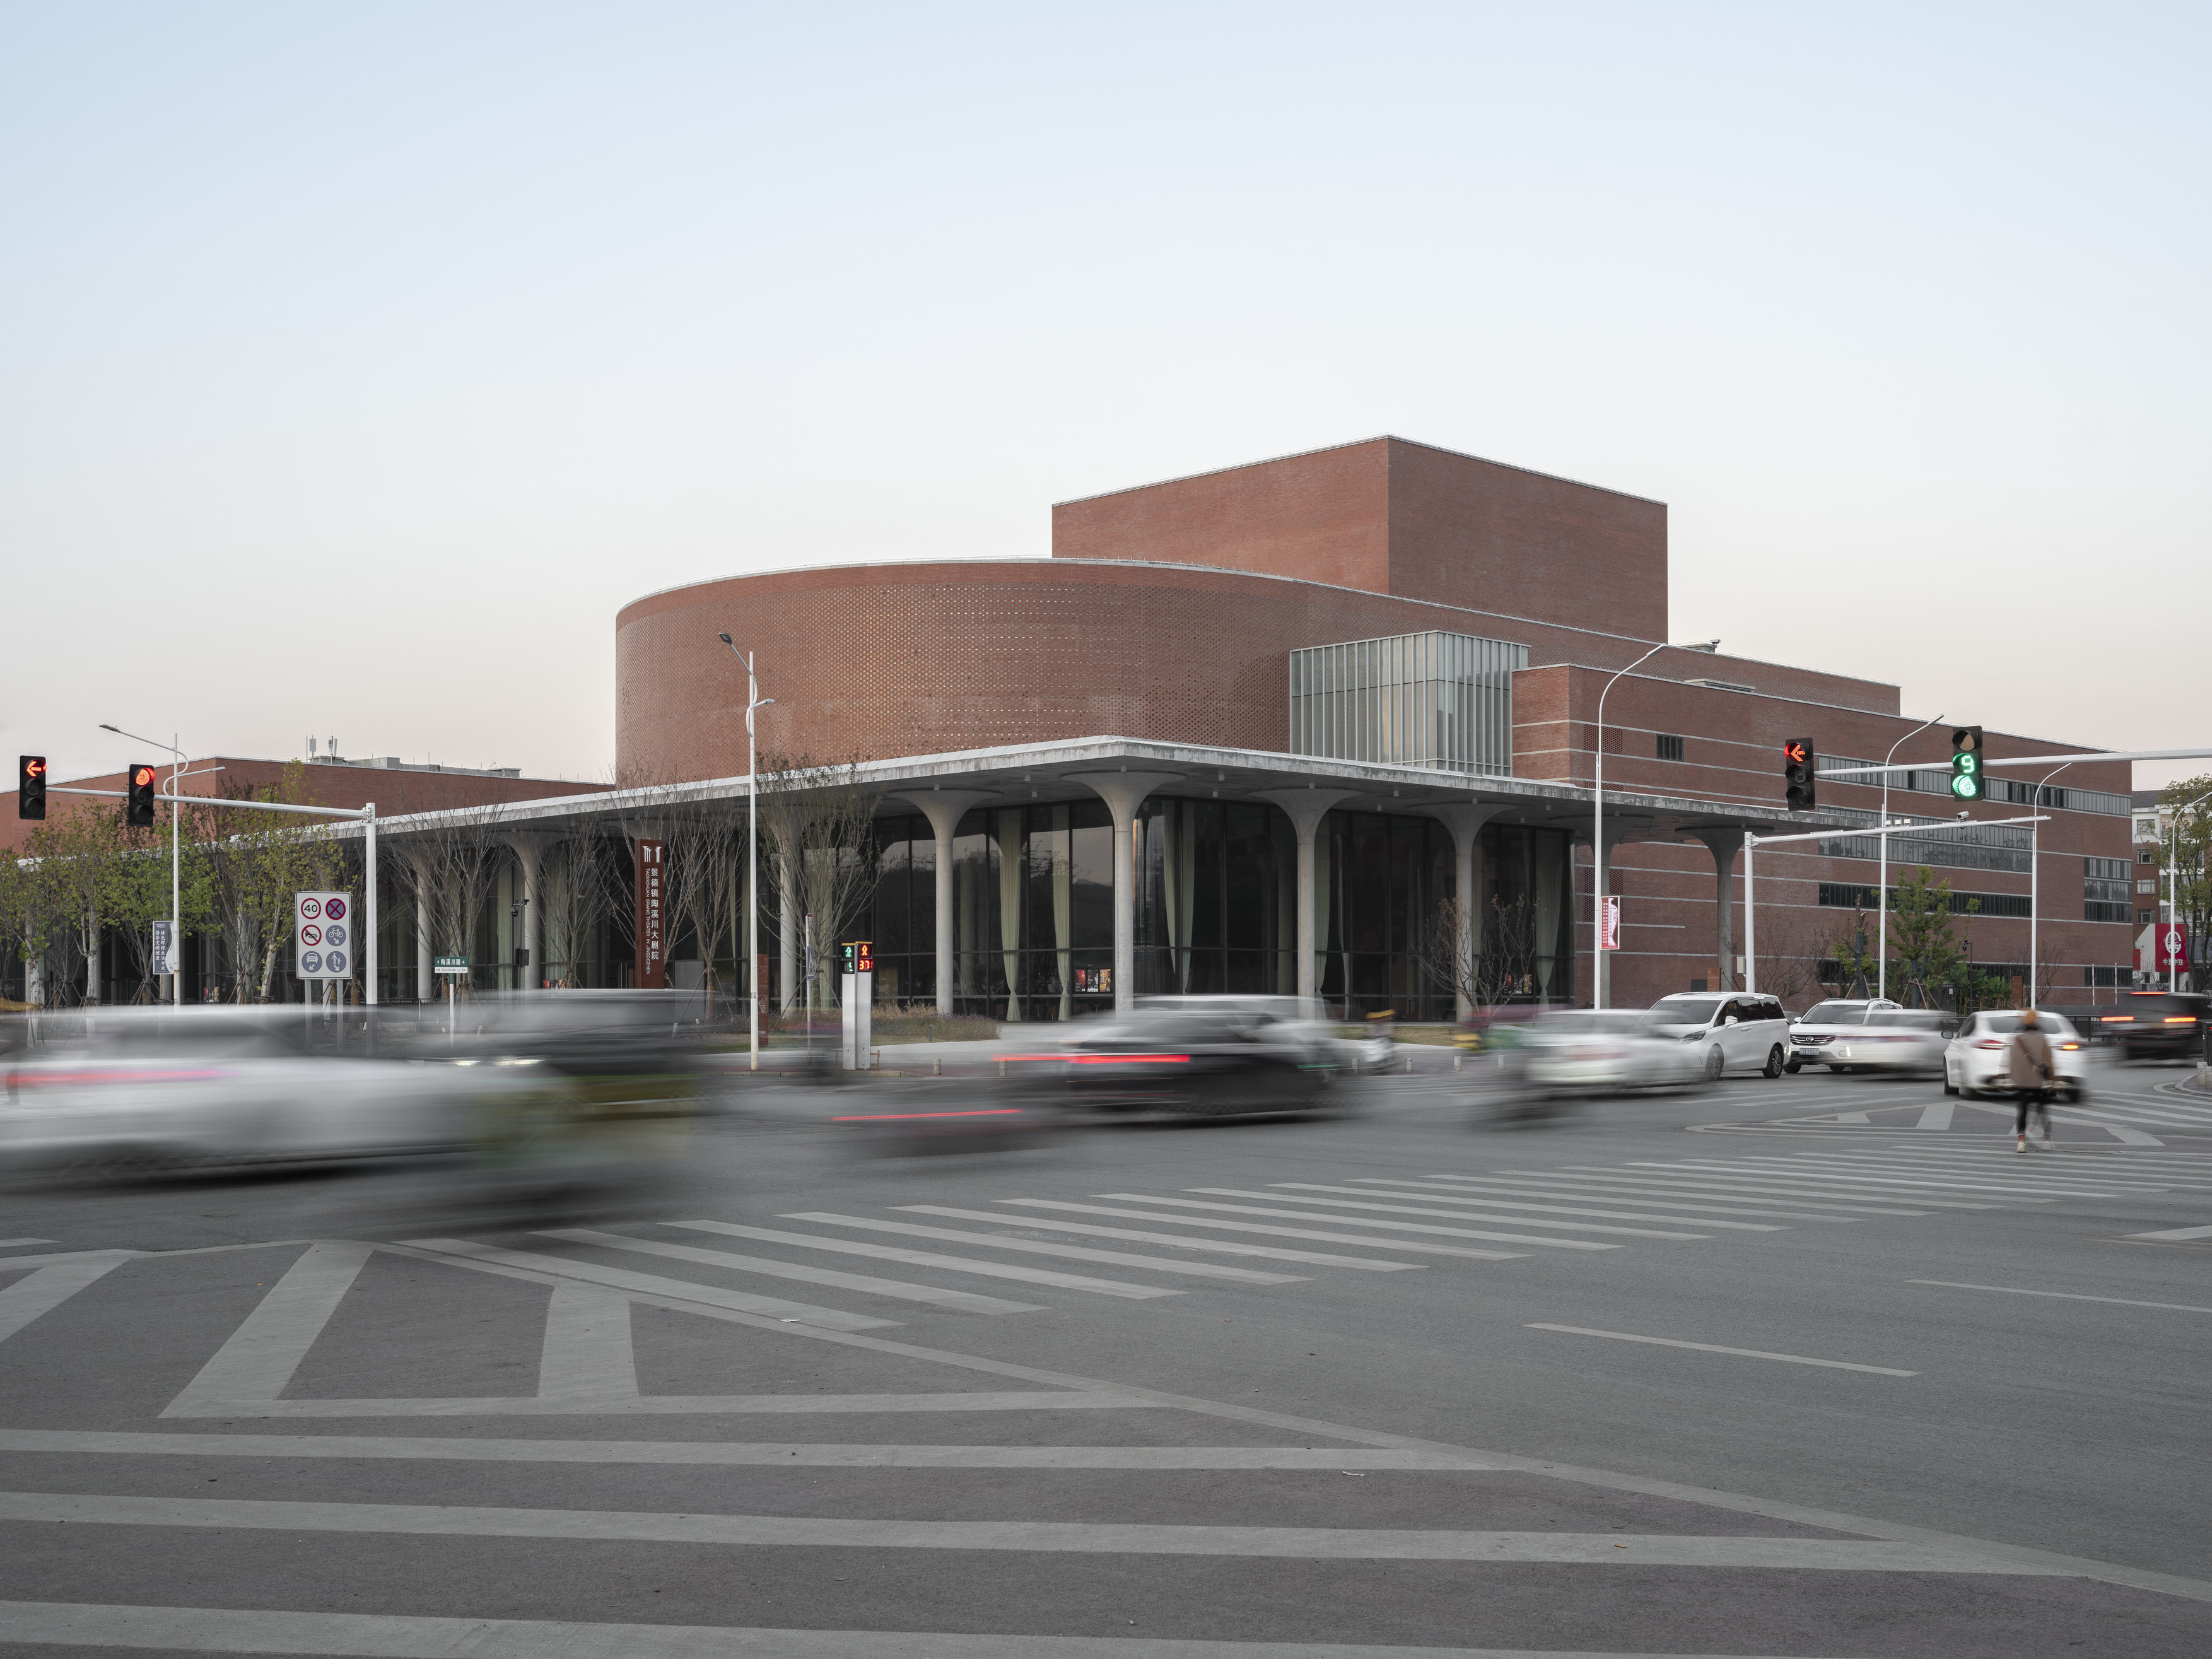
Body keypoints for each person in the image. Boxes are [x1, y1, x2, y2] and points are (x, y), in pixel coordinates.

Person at [2011, 1007, 2056, 1152]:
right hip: (2038, 1082)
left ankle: (2021, 1143)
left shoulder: (2017, 1039)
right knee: (2042, 1111)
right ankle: (2047, 1142)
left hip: (2022, 1081)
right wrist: (2052, 1080)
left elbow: (2012, 1061)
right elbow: (2048, 1061)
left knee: (2022, 1112)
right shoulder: (2042, 1038)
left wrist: (2012, 1078)